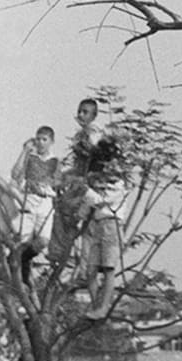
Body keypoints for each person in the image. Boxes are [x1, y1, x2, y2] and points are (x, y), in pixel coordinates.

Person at [48, 98, 103, 266]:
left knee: (65, 208)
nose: (80, 115)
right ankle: (61, 250)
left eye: (85, 112)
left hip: (90, 181)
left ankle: (60, 252)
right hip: (80, 177)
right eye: (79, 111)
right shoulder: (81, 134)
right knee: (59, 204)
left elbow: (92, 157)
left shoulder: (94, 132)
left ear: (94, 115)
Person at [80, 135, 128, 321]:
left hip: (111, 225)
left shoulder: (118, 185)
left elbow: (100, 202)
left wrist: (86, 190)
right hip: (98, 226)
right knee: (90, 270)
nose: (109, 168)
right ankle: (96, 306)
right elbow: (89, 205)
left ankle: (104, 307)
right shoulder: (98, 183)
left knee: (108, 269)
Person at [10, 126, 60, 282]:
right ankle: (21, 280)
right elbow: (15, 175)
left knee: (43, 241)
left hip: (45, 203)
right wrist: (24, 151)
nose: (40, 143)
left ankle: (15, 261)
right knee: (21, 241)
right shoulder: (30, 157)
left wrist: (46, 187)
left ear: (51, 141)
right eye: (38, 139)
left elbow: (58, 182)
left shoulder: (55, 161)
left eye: (44, 139)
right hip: (29, 202)